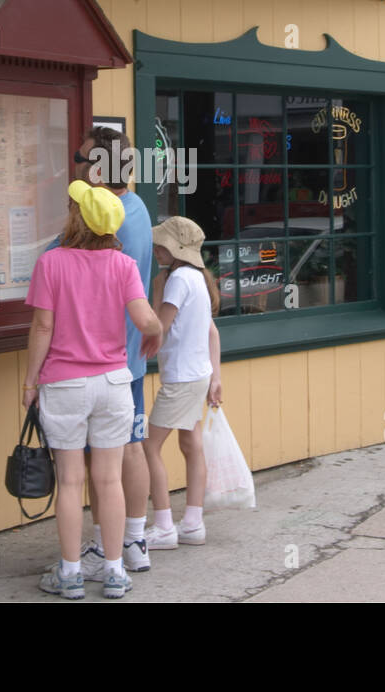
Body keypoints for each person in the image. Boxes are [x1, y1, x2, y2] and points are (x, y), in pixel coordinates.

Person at [23, 180, 162, 600]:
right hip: (114, 383)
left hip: (64, 383)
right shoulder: (122, 266)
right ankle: (115, 572)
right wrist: (152, 336)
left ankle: (70, 575)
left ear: (77, 217)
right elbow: (147, 320)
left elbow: (42, 327)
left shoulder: (52, 263)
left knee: (69, 481)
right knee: (109, 481)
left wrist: (30, 381)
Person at [70, 126, 157, 580]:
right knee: (132, 447)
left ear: (99, 170)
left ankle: (106, 546)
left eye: (80, 160)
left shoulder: (99, 219)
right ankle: (135, 540)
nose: (76, 168)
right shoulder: (139, 209)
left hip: (96, 362)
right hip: (131, 357)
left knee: (97, 460)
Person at [142, 216, 223, 549]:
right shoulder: (198, 279)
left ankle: (163, 526)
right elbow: (211, 331)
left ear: (173, 249)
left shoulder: (175, 281)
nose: (156, 248)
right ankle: (192, 523)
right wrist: (216, 376)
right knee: (191, 446)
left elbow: (157, 328)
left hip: (181, 379)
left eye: (161, 244)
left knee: (148, 446)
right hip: (198, 373)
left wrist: (155, 294)